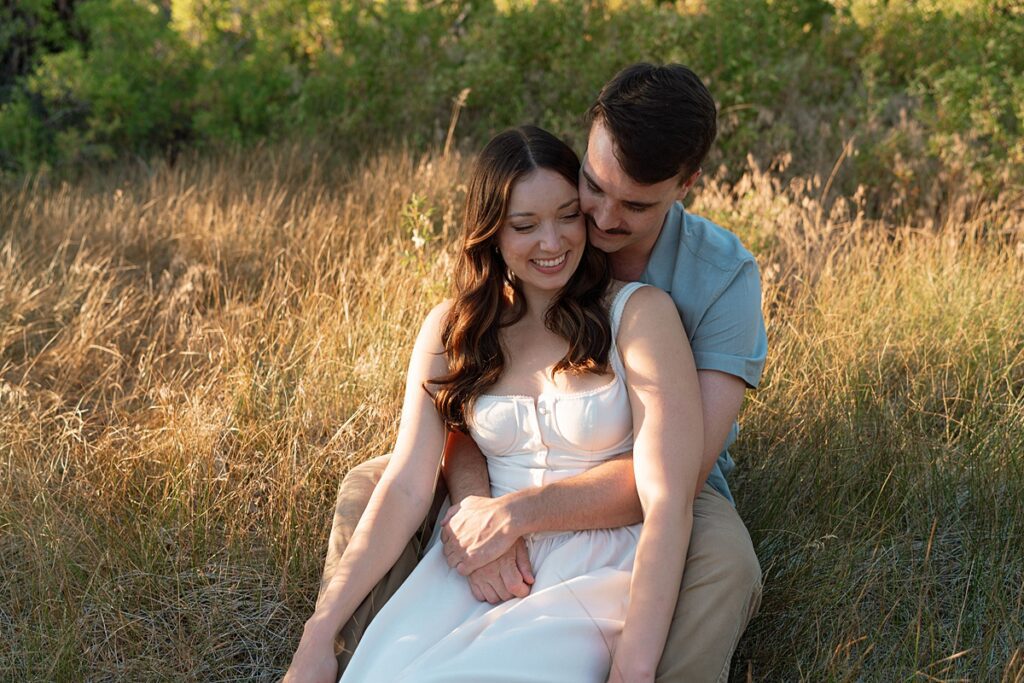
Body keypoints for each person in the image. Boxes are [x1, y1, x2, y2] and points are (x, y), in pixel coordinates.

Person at [318, 63, 767, 681]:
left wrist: (517, 515)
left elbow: (674, 480)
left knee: (724, 564)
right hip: (505, 468)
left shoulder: (714, 280)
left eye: (633, 203)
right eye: (592, 186)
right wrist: (475, 504)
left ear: (684, 184)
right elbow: (450, 435)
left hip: (647, 482)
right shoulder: (536, 202)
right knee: (373, 488)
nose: (602, 218)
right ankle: (342, 650)